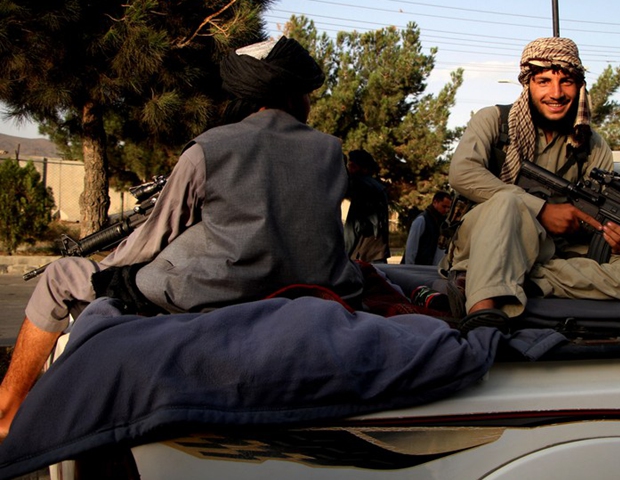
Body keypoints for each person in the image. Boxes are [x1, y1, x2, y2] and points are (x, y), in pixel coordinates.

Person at [0, 35, 363, 438]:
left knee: (60, 276)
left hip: (216, 299)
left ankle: (8, 412)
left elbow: (153, 238)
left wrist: (107, 273)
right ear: (295, 98)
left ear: (246, 92)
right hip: (312, 294)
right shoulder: (331, 152)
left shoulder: (208, 149)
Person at [442, 37, 620, 332]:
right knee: (508, 202)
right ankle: (482, 315)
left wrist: (615, 234)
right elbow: (462, 173)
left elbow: (596, 215)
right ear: (528, 85)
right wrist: (541, 210)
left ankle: (512, 278)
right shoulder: (494, 121)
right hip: (483, 238)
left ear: (579, 86)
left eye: (566, 82)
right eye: (544, 81)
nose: (556, 93)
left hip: (550, 252)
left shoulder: (592, 146)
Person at [343, 149, 391, 263]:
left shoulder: (361, 187)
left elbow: (354, 226)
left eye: (352, 166)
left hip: (364, 256)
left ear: (363, 168)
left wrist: (343, 254)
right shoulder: (377, 187)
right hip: (377, 253)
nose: (349, 170)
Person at [402, 191, 452, 265]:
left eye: (448, 207)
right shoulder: (422, 220)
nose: (446, 210)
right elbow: (411, 247)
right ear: (435, 202)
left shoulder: (441, 222)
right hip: (418, 267)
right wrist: (410, 267)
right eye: (444, 206)